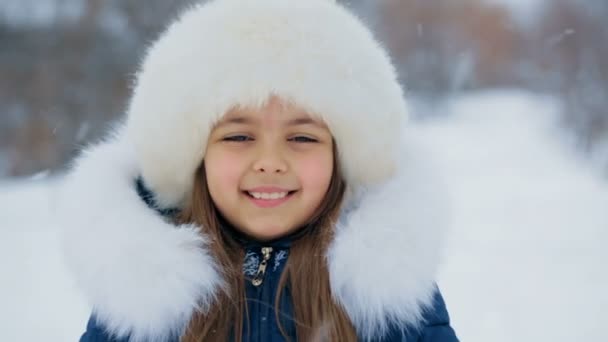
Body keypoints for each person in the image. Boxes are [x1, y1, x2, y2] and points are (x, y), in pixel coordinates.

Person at [57, 0, 459, 341]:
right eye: (238, 138)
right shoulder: (142, 299)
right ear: (196, 158)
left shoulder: (389, 296)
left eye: (302, 138)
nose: (270, 161)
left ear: (342, 159)